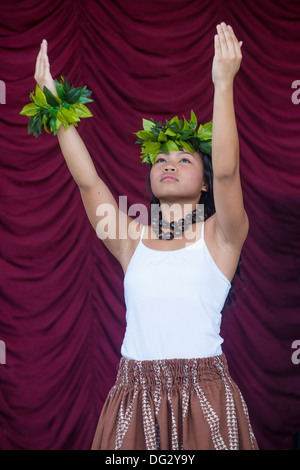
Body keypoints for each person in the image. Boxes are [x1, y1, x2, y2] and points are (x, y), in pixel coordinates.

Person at [33, 22, 258, 450]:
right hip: (134, 396)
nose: (168, 163)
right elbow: (88, 183)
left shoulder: (223, 237)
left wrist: (222, 83)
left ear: (205, 183)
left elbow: (228, 170)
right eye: (161, 158)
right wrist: (53, 104)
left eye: (184, 158)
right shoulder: (130, 239)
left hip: (203, 394)